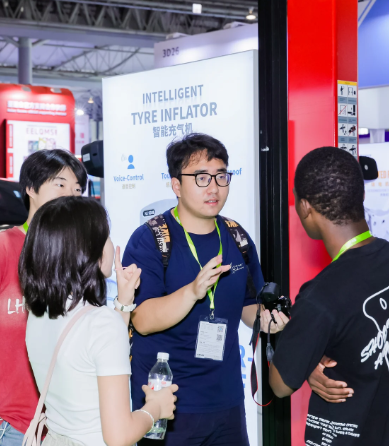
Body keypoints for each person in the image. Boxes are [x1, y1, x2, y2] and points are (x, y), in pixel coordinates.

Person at [122, 133, 287, 446]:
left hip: (226, 400)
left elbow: (248, 305)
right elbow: (141, 320)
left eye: (221, 176)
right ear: (176, 185)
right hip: (166, 403)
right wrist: (192, 291)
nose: (214, 188)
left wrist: (267, 320)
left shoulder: (237, 236)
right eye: (201, 178)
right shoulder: (151, 239)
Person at [268, 146, 389, 445]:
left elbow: (280, 384)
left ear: (305, 207)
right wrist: (311, 358)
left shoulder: (320, 295)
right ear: (361, 195)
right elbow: (364, 340)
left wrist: (300, 355)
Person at [0, 149, 88, 445]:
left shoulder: (80, 256)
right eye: (60, 184)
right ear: (30, 188)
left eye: (78, 189)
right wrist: (7, 389)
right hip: (11, 422)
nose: (71, 195)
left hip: (69, 421)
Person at [22, 197, 178, 446]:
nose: (111, 243)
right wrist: (155, 408)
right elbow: (119, 436)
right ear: (87, 250)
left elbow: (91, 352)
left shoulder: (39, 313)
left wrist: (124, 302)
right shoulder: (101, 323)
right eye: (105, 236)